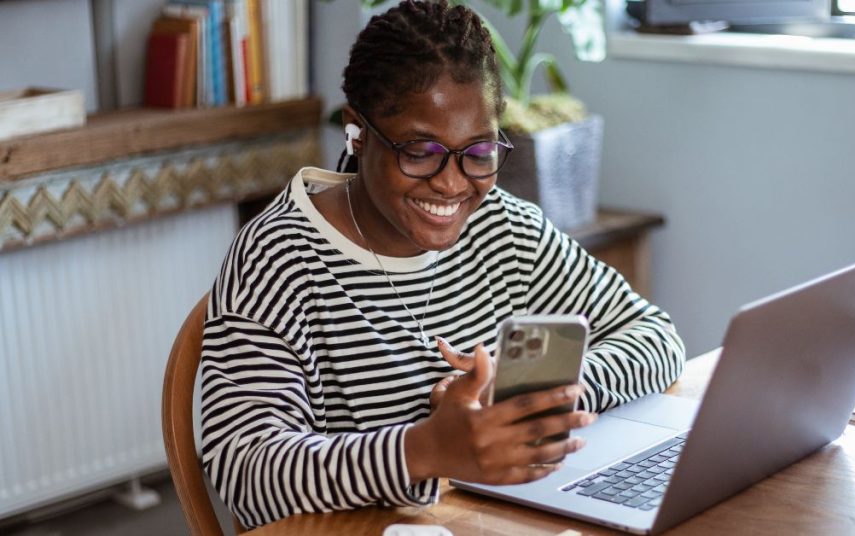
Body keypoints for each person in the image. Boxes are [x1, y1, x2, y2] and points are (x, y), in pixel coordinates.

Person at [199, 0, 685, 529]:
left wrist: (533, 397)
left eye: (477, 153)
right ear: (356, 134)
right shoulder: (278, 258)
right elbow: (245, 473)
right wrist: (425, 449)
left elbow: (655, 335)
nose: (452, 184)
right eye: (420, 151)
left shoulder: (501, 227)